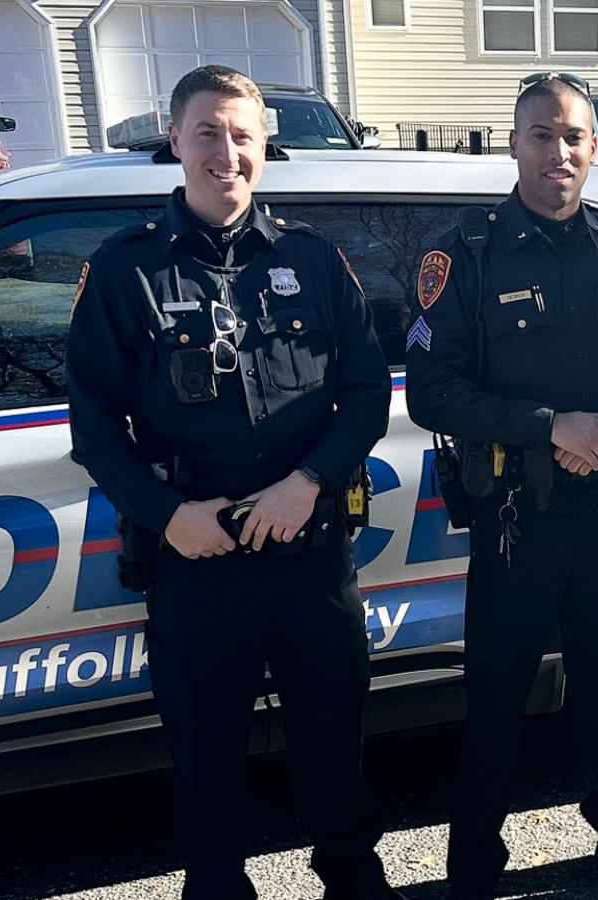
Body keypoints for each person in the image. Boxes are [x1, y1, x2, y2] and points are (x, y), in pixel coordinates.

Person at [66, 65, 400, 900]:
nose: (226, 153)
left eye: (242, 135)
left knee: (333, 735)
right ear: (173, 141)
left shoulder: (316, 263)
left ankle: (351, 875)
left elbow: (365, 394)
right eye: (207, 133)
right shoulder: (125, 271)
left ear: (265, 146)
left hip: (309, 549)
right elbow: (95, 428)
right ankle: (217, 885)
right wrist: (168, 515)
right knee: (206, 752)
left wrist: (311, 483)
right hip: (196, 554)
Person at [402, 73, 598, 900]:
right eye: (540, 134)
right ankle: (474, 863)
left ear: (593, 148)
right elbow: (431, 388)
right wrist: (548, 425)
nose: (557, 151)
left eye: (573, 136)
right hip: (513, 522)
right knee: (495, 694)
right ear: (514, 144)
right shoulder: (465, 254)